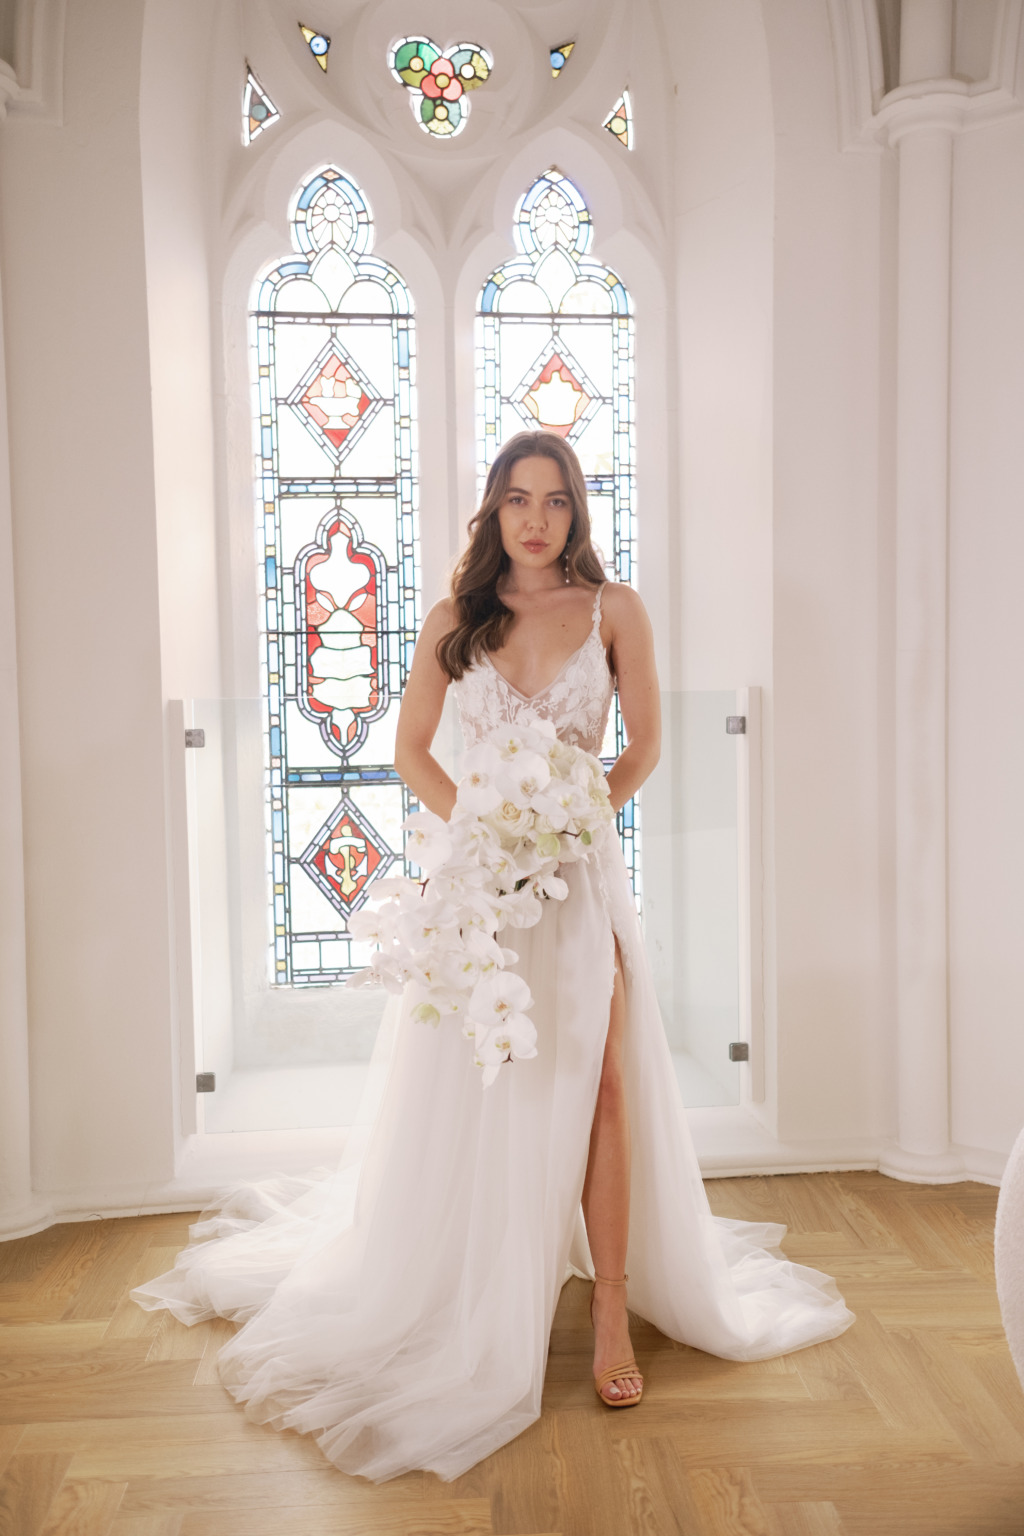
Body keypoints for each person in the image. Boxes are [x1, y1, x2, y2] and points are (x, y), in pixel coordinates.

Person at [132, 430, 853, 1481]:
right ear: (491, 509)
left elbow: (642, 743)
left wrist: (572, 816)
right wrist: (486, 826)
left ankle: (609, 1314)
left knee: (604, 1086)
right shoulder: (453, 623)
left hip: (579, 885)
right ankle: (475, 1289)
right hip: (482, 892)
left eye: (554, 500)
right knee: (483, 1085)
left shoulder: (615, 611)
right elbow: (409, 750)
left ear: (576, 512)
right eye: (516, 498)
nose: (535, 518)